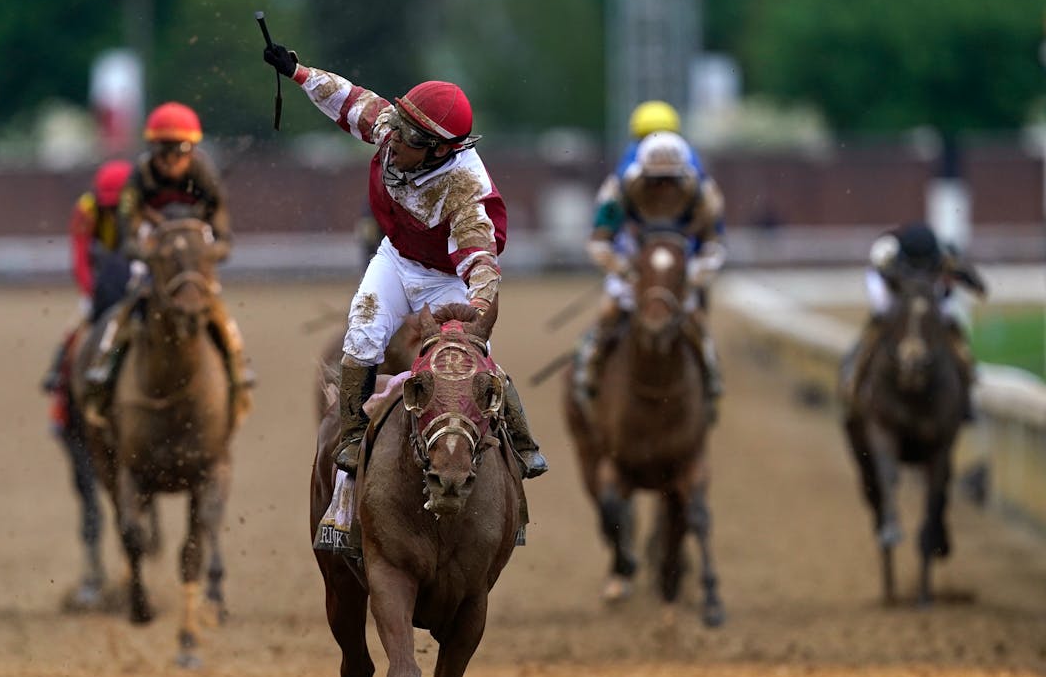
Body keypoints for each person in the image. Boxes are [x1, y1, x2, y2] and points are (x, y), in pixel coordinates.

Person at [261, 41, 547, 478]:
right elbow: (348, 99)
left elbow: (482, 264)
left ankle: (520, 443)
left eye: (409, 137)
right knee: (361, 330)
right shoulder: (398, 131)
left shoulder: (467, 190)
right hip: (396, 258)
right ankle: (354, 438)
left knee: (471, 359)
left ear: (440, 149)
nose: (393, 141)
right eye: (398, 125)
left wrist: (478, 313)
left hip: (446, 278)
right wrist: (298, 71)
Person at [81, 102, 252, 420]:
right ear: (152, 149)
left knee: (217, 312)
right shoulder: (139, 178)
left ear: (192, 150)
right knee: (128, 308)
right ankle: (102, 370)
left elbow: (224, 238)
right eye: (164, 152)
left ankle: (239, 374)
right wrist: (152, 253)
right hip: (155, 257)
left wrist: (199, 252)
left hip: (194, 260)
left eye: (180, 151)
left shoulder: (204, 175)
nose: (172, 160)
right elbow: (127, 235)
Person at [576, 129, 726, 419]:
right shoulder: (618, 190)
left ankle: (711, 383)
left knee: (697, 324)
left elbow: (714, 246)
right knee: (608, 313)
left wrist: (692, 275)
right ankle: (589, 372)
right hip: (633, 262)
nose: (662, 188)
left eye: (670, 179)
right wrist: (624, 269)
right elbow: (599, 240)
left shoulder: (704, 194)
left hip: (679, 269)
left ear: (684, 174)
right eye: (654, 179)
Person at [843, 222, 987, 414]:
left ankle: (967, 395)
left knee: (958, 342)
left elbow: (974, 283)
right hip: (894, 303)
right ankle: (854, 386)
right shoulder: (888, 260)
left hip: (933, 305)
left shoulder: (943, 259)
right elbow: (879, 288)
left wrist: (971, 283)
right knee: (872, 335)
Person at [43, 158, 133, 430]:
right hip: (100, 283)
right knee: (74, 333)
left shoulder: (142, 208)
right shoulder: (86, 209)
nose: (112, 207)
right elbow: (80, 258)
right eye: (107, 202)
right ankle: (59, 386)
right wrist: (90, 292)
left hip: (135, 279)